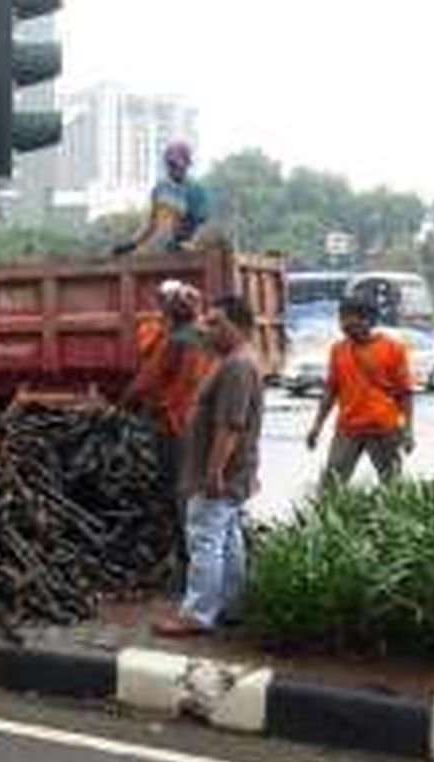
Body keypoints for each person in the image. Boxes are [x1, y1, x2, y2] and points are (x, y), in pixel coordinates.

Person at [154, 296, 263, 637]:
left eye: (216, 323)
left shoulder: (236, 366)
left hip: (218, 472)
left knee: (204, 540)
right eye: (207, 321)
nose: (207, 329)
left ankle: (198, 614)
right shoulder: (233, 360)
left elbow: (229, 425)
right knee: (228, 538)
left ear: (239, 326)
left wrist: (213, 471)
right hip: (230, 471)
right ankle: (232, 606)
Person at [122, 280, 213, 578]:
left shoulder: (177, 340)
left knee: (180, 493)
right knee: (201, 494)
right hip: (204, 425)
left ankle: (190, 566)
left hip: (177, 425)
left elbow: (148, 379)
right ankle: (204, 563)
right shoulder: (208, 337)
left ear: (171, 313)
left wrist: (120, 405)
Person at [306, 297, 414, 483]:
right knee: (331, 485)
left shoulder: (393, 348)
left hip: (384, 429)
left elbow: (405, 392)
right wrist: (317, 426)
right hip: (348, 429)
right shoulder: (338, 350)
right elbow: (331, 390)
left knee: (392, 485)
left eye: (349, 318)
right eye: (341, 318)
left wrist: (408, 430)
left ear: (369, 321)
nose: (344, 324)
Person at [114, 142, 210, 256]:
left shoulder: (195, 189)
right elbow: (151, 224)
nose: (173, 168)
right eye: (170, 164)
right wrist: (131, 245)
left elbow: (201, 225)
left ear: (187, 164)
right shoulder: (160, 189)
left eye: (176, 164)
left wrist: (188, 244)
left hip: (185, 253)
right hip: (160, 250)